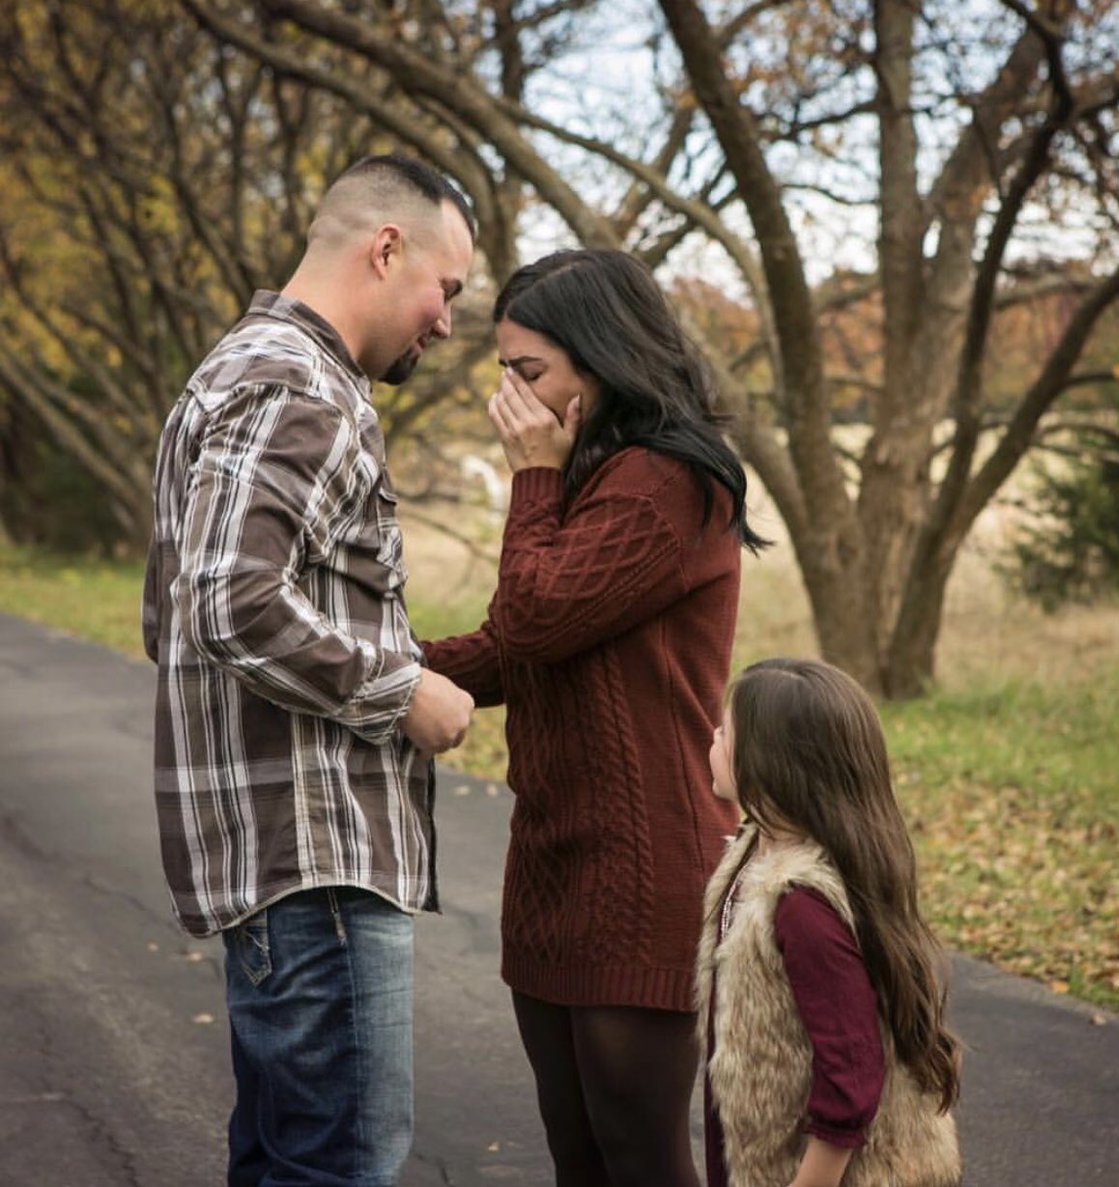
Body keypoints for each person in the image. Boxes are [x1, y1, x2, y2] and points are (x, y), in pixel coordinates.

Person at [141, 153, 477, 1187]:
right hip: (315, 865)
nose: (447, 323)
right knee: (338, 1166)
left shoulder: (238, 369)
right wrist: (402, 689)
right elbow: (227, 603)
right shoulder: (297, 385)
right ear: (385, 249)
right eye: (446, 289)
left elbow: (173, 614)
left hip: (279, 869)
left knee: (291, 1162)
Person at [422, 248, 767, 1187]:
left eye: (528, 372)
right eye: (502, 371)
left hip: (642, 864)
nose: (510, 399)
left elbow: (535, 613)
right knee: (579, 1159)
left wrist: (531, 477)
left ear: (601, 358)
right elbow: (515, 645)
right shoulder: (588, 477)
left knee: (642, 1161)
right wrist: (373, 673)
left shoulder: (667, 485)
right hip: (552, 860)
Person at [699, 658, 962, 1187]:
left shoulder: (803, 906)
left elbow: (852, 1077)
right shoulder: (752, 849)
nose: (714, 733)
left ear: (773, 763)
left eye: (728, 730)